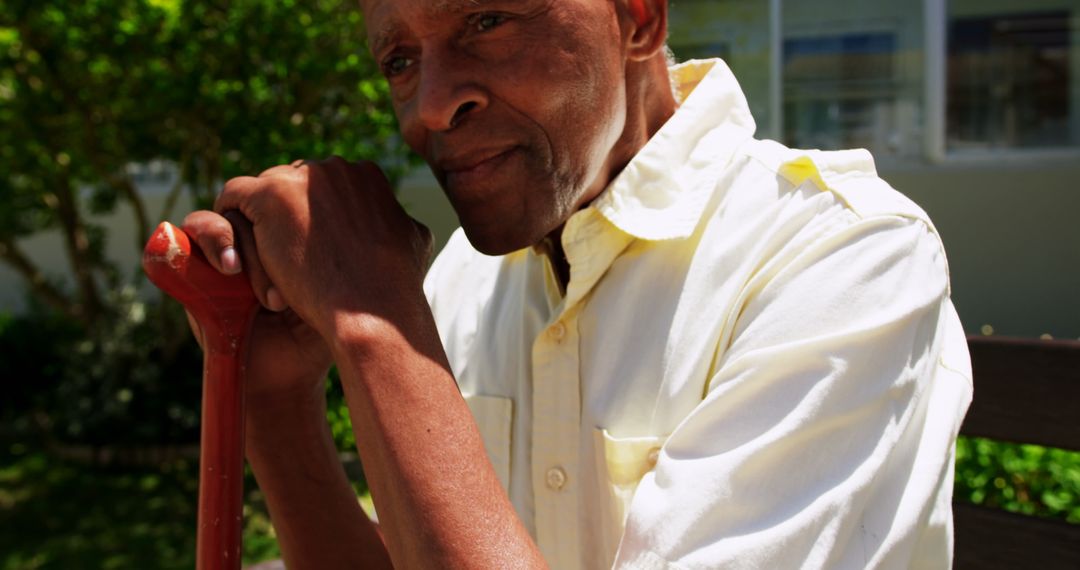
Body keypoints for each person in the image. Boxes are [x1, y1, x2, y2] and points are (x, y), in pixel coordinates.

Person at [182, 0, 973, 568]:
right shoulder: (466, 278)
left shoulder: (839, 254)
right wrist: (275, 404)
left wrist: (377, 324)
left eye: (486, 22)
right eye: (399, 60)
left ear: (637, 18)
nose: (430, 107)